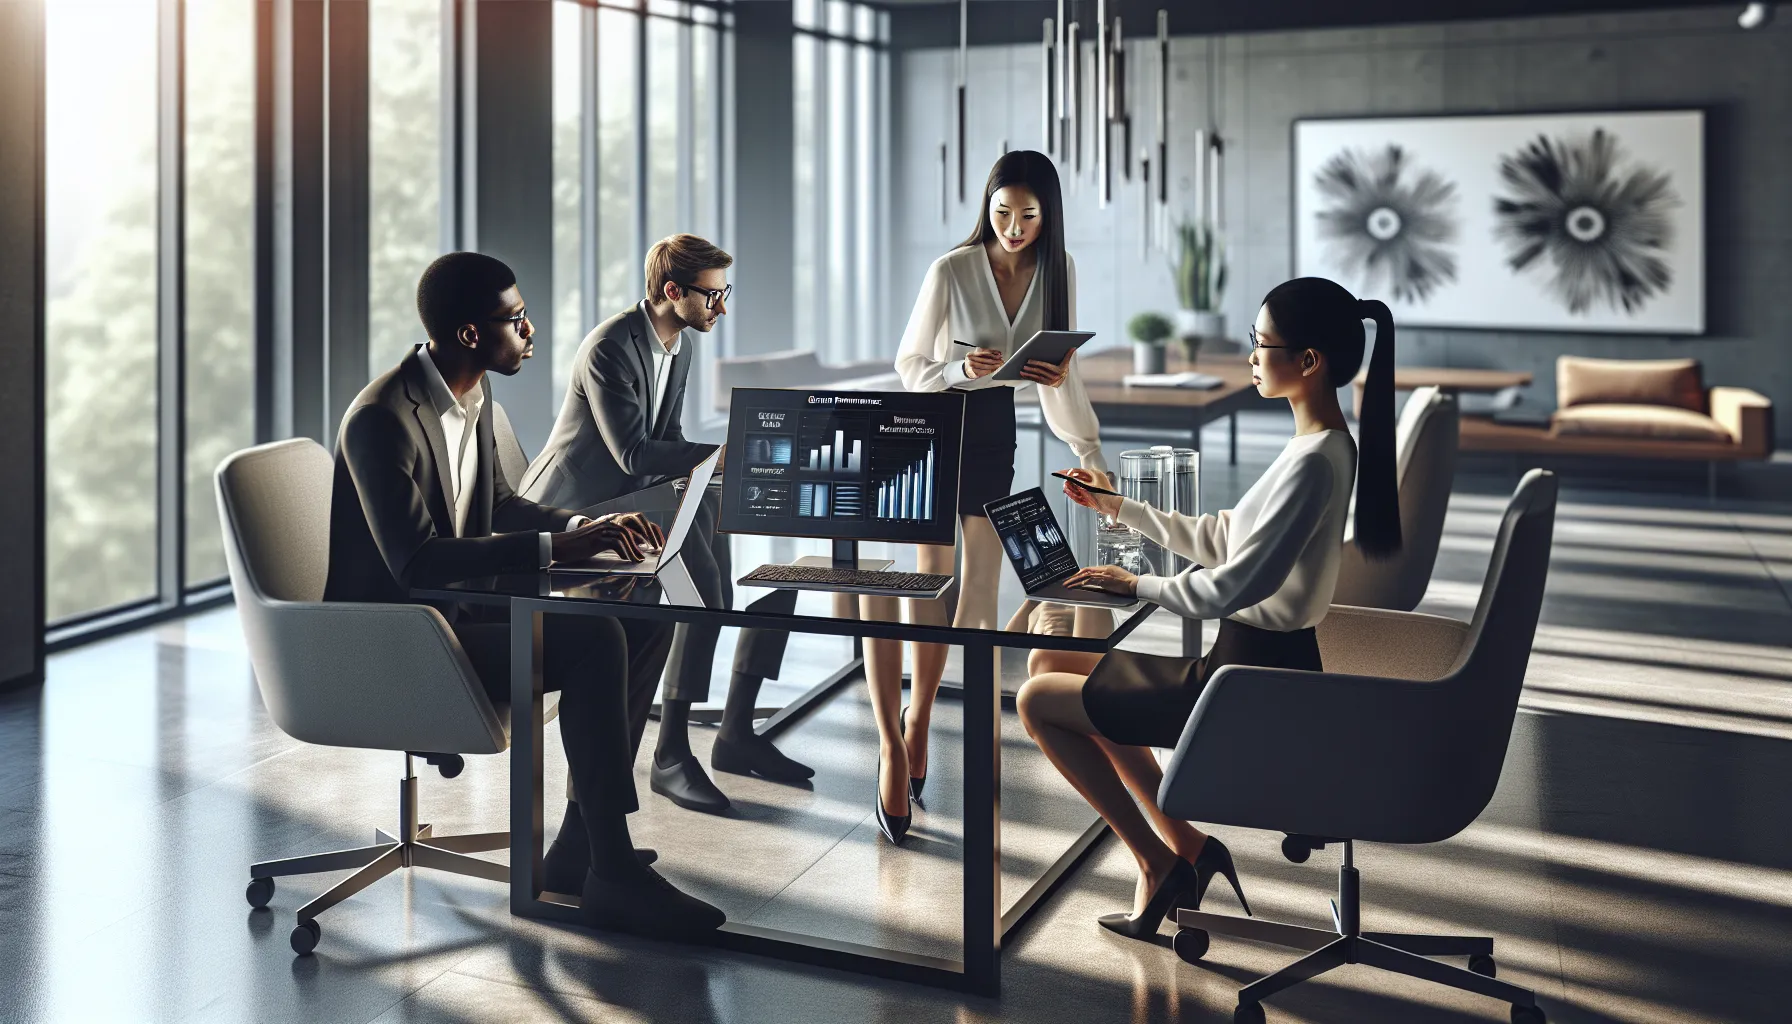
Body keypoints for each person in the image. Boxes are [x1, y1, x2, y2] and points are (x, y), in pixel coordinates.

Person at [324, 251, 724, 940]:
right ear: (472, 335)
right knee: (596, 637)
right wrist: (553, 551)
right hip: (398, 639)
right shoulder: (381, 420)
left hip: (458, 615)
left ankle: (580, 847)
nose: (532, 330)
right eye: (517, 320)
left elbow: (504, 502)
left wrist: (581, 526)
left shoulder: (471, 395)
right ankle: (615, 871)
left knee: (638, 618)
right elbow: (416, 562)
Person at [1015, 277, 1402, 941]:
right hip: (1249, 667)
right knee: (1061, 666)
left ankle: (1156, 859)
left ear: (1308, 361)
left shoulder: (1316, 462)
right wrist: (1120, 509)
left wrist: (1132, 587)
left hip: (1248, 688)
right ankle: (1182, 848)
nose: (1250, 355)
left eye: (1260, 342)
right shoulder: (1317, 447)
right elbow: (1226, 538)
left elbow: (1231, 587)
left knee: (1036, 701)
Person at [519, 234, 810, 817]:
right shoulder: (610, 348)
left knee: (731, 537)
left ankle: (727, 733)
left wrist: (717, 468)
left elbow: (671, 440)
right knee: (699, 584)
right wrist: (724, 455)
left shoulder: (679, 341)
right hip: (578, 505)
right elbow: (632, 455)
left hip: (633, 492)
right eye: (713, 295)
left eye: (725, 293)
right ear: (673, 291)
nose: (721, 308)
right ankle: (672, 753)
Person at [868, 151, 1108, 844]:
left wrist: (1085, 451)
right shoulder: (952, 268)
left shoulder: (1058, 271)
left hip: (996, 425)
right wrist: (954, 366)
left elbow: (1061, 374)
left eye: (1028, 216)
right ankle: (912, 723)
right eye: (1002, 212)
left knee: (981, 592)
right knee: (934, 581)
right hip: (940, 421)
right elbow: (909, 365)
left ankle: (928, 720)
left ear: (1047, 216)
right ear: (988, 206)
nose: (1012, 227)